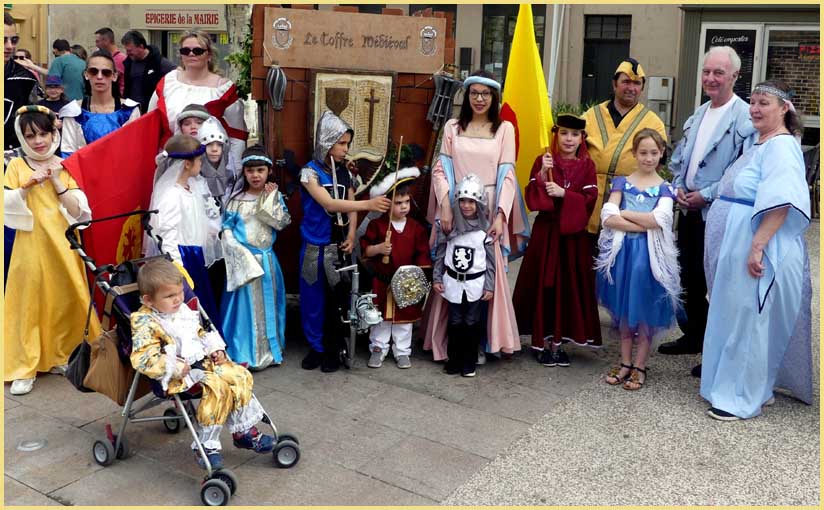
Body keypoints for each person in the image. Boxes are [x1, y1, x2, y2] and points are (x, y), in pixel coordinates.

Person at [700, 80, 812, 421]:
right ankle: (745, 386)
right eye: (752, 102)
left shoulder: (781, 146)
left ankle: (739, 397)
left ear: (784, 109)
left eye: (764, 103)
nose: (755, 109)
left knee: (749, 317)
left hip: (757, 241)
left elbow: (782, 200)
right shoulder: (761, 142)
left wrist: (758, 246)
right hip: (740, 240)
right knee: (734, 313)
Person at [657, 47, 757, 378]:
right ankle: (696, 336)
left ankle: (718, 351)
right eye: (706, 72)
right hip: (689, 211)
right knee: (688, 276)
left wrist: (707, 195)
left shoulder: (744, 118)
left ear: (734, 76)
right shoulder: (699, 113)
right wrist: (678, 187)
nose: (710, 79)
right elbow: (681, 159)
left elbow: (741, 172)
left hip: (719, 214)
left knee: (719, 282)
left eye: (718, 73)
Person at [423, 70, 530, 365]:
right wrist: (445, 205)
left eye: (485, 93)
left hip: (489, 209)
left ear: (494, 97)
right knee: (453, 268)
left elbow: (507, 175)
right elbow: (440, 170)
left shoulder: (504, 129)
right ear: (467, 95)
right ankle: (448, 343)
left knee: (484, 274)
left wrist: (500, 215)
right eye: (474, 93)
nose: (479, 99)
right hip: (456, 208)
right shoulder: (452, 127)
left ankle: (482, 342)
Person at [131, 258, 275, 469]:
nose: (177, 299)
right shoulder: (146, 322)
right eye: (169, 296)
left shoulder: (183, 311)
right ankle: (205, 445)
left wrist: (215, 349)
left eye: (180, 292)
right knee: (218, 388)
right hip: (180, 375)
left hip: (204, 364)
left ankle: (243, 432)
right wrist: (174, 366)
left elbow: (200, 332)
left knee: (239, 376)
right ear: (149, 300)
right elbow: (144, 358)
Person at [4, 105, 100, 395]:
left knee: (63, 299)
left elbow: (80, 211)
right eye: (30, 136)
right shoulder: (16, 166)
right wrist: (27, 187)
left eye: (43, 134)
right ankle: (24, 366)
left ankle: (62, 354)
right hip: (31, 244)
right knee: (29, 302)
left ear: (52, 134)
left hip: (64, 244)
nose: (38, 141)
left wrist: (56, 179)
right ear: (22, 137)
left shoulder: (66, 165)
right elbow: (6, 204)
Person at [298, 111, 391, 372]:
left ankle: (332, 349)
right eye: (341, 143)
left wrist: (351, 236)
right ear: (327, 142)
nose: (345, 149)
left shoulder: (344, 172)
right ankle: (315, 348)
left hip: (337, 247)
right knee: (312, 301)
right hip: (313, 246)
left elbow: (350, 208)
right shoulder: (309, 173)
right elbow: (329, 203)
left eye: (347, 143)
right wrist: (369, 204)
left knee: (337, 301)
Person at [512, 114, 602, 367]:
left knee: (567, 288)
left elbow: (590, 199)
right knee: (543, 286)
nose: (569, 139)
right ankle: (541, 341)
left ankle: (559, 343)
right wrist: (542, 174)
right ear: (556, 135)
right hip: (546, 235)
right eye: (564, 133)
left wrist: (565, 194)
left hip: (572, 239)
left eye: (574, 134)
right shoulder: (544, 160)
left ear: (582, 138)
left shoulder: (587, 165)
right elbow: (533, 198)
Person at [595, 128, 681, 391]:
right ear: (634, 153)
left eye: (654, 152)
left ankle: (640, 365)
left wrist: (625, 213)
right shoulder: (621, 182)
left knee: (643, 307)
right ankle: (624, 362)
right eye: (643, 152)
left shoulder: (665, 188)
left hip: (648, 259)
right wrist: (642, 223)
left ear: (662, 153)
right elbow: (608, 216)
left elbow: (660, 219)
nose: (648, 158)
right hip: (623, 255)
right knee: (624, 309)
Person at [220, 145, 291, 370]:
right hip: (244, 263)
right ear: (244, 172)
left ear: (269, 171)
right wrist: (237, 251)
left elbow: (281, 223)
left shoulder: (274, 197)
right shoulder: (236, 199)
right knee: (245, 311)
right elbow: (226, 228)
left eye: (260, 170)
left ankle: (270, 350)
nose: (255, 175)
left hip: (267, 261)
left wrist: (269, 200)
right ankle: (245, 353)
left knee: (270, 306)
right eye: (250, 171)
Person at [581, 58, 668, 236]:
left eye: (637, 83)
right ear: (614, 84)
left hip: (630, 201)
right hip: (590, 199)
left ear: (642, 88)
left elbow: (659, 163)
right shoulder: (591, 116)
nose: (631, 88)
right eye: (626, 82)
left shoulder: (653, 123)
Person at [144, 134, 223, 328]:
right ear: (187, 164)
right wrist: (177, 269)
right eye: (199, 160)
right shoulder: (171, 194)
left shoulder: (192, 187)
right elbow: (166, 236)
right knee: (191, 311)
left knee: (204, 309)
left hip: (195, 256)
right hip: (183, 258)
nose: (201, 164)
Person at [360, 169, 432, 369]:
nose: (404, 207)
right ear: (387, 204)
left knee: (404, 320)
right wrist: (378, 249)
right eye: (398, 203)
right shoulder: (377, 226)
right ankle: (378, 348)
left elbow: (423, 255)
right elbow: (366, 249)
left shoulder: (416, 228)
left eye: (406, 202)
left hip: (407, 284)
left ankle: (402, 351)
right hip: (382, 281)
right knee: (380, 318)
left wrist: (419, 278)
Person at [148, 29, 247, 169]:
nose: (191, 54)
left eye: (197, 51)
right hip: (170, 161)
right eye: (185, 51)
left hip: (209, 164)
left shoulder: (223, 89)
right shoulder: (168, 83)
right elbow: (150, 124)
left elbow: (237, 136)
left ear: (209, 55)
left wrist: (235, 171)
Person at [432, 174, 495, 378]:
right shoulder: (449, 227)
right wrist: (437, 278)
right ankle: (454, 360)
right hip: (453, 282)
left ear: (479, 203)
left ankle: (469, 362)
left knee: (471, 321)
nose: (466, 206)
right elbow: (440, 253)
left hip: (475, 284)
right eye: (463, 201)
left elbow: (491, 262)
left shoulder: (485, 231)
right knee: (455, 321)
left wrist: (489, 285)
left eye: (471, 201)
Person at [60, 49, 140, 157]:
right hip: (82, 168)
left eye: (106, 72)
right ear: (86, 75)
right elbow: (68, 152)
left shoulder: (129, 110)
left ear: (114, 76)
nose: (99, 76)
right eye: (93, 71)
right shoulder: (73, 111)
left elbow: (134, 150)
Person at [4, 12, 41, 152]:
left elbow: (34, 117)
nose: (10, 46)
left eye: (14, 40)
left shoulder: (26, 79)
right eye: (3, 40)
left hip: (12, 154)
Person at [121, 30, 175, 114]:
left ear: (141, 46)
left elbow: (176, 73)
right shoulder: (128, 62)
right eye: (127, 50)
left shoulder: (158, 62)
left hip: (151, 111)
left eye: (130, 50)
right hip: (132, 110)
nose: (127, 53)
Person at [198, 115, 234, 206]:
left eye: (219, 144)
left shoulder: (231, 177)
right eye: (209, 144)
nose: (214, 149)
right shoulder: (195, 178)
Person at [93, 27, 125, 96]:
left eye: (97, 41)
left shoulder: (121, 59)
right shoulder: (103, 58)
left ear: (106, 41)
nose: (96, 45)